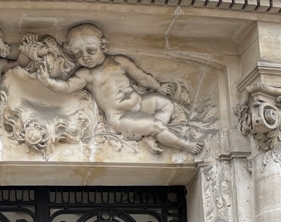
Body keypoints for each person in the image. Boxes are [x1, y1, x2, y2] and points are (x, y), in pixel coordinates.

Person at [37, 22, 202, 155]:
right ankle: (183, 145)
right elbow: (66, 86)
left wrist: (158, 86)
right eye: (78, 54)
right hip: (120, 117)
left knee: (167, 104)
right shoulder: (86, 74)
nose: (85, 57)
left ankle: (150, 136)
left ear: (104, 46)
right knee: (156, 125)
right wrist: (48, 82)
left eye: (90, 51)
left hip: (141, 104)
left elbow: (141, 77)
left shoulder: (119, 61)